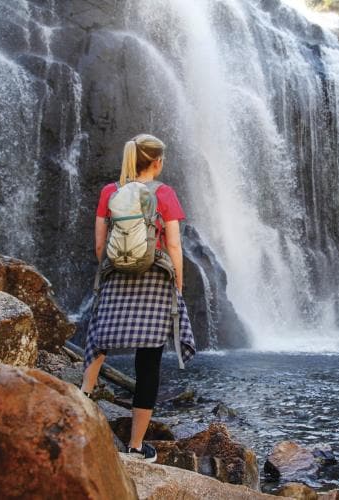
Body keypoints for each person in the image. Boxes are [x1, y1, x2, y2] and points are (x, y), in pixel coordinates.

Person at [81, 133, 195, 462]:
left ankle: (82, 397)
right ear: (157, 162)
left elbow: (100, 247)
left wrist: (114, 267)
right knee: (148, 363)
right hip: (156, 279)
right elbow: (173, 245)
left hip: (116, 275)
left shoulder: (110, 192)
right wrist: (178, 284)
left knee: (100, 338)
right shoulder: (165, 194)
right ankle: (134, 448)